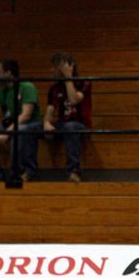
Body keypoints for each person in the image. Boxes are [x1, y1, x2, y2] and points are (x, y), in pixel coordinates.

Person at [0, 59, 41, 182]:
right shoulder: (1, 92)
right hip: (11, 125)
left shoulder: (27, 87)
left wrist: (6, 133)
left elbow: (26, 115)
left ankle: (22, 172)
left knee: (19, 130)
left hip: (30, 124)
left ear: (8, 73)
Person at [43, 52, 92, 183]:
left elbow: (73, 100)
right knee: (30, 128)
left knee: (71, 126)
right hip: (62, 124)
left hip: (80, 125)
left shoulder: (83, 82)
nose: (52, 70)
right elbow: (50, 110)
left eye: (56, 67)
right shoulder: (54, 88)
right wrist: (46, 123)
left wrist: (68, 78)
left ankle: (74, 171)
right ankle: (26, 170)